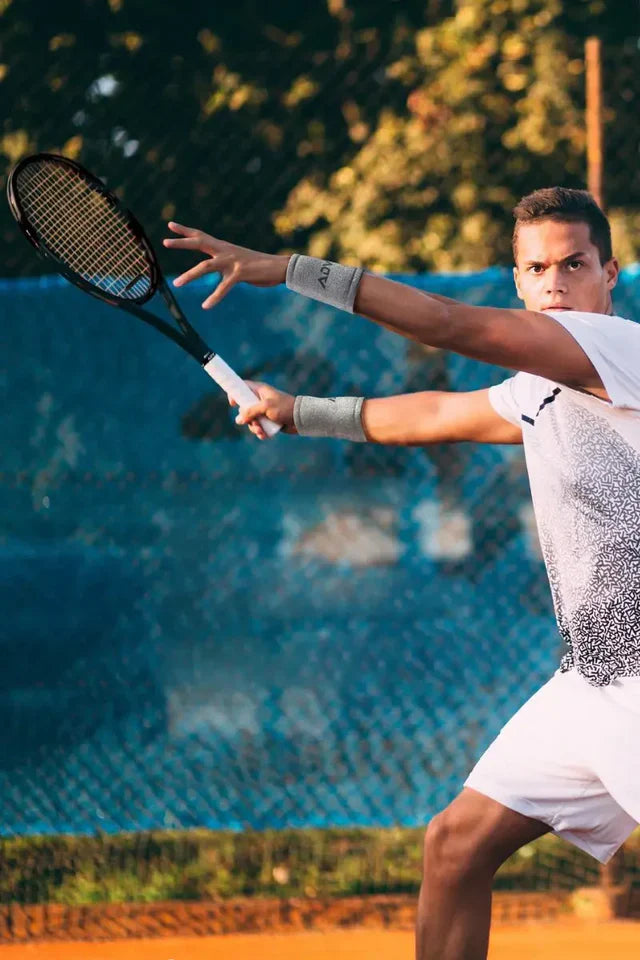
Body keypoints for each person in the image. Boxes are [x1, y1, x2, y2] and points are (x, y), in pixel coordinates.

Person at [164, 187, 640, 960]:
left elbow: (448, 325)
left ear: (609, 274)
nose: (556, 285)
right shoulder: (538, 388)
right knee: (454, 847)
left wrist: (285, 269)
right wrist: (299, 412)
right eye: (537, 268)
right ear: (517, 280)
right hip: (590, 681)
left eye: (575, 265)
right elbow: (430, 416)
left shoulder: (618, 351)